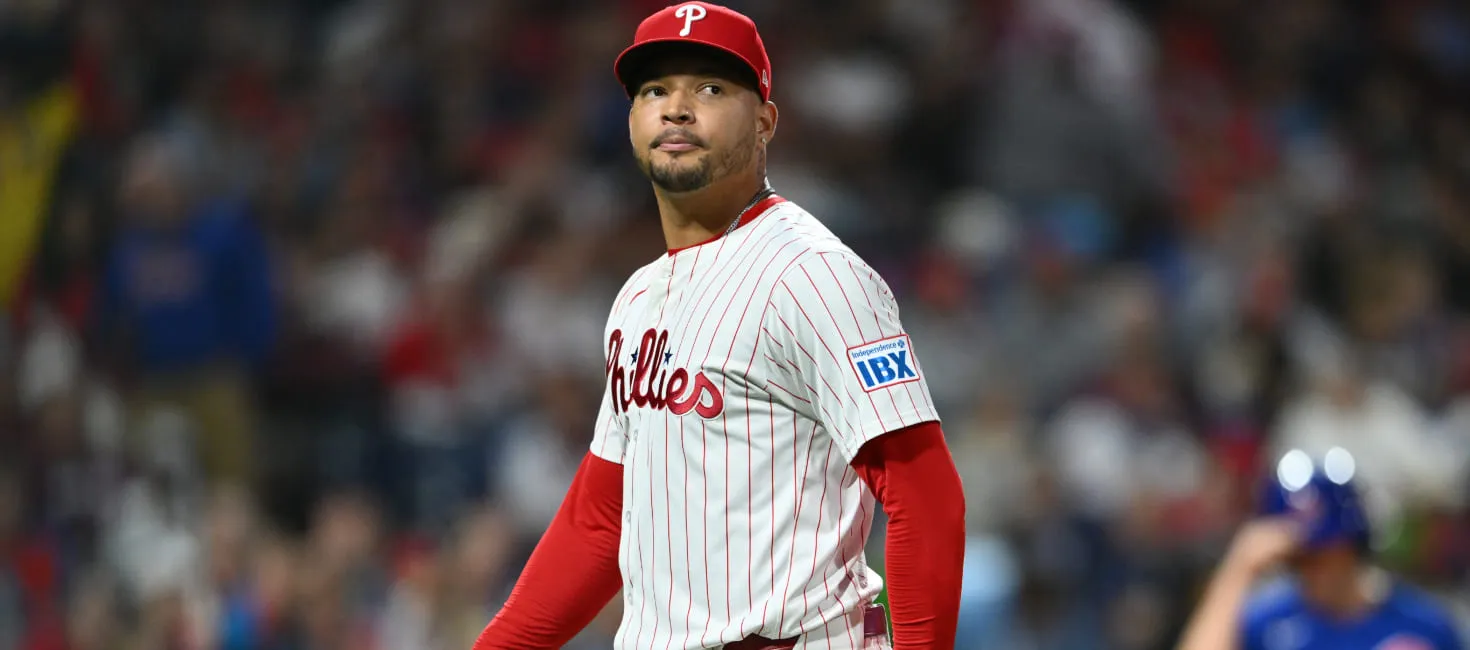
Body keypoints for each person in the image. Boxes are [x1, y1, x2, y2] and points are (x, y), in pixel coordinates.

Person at [471, 3, 966, 649]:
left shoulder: (814, 275)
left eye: (709, 88)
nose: (677, 109)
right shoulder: (639, 296)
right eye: (655, 90)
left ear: (764, 122)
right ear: (631, 120)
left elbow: (925, 497)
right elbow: (601, 521)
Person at [1177, 448, 1465, 650]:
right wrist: (1239, 567)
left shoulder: (1423, 625)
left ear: (1352, 545)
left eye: (1321, 554)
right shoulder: (1269, 620)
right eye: (1297, 559)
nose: (1311, 570)